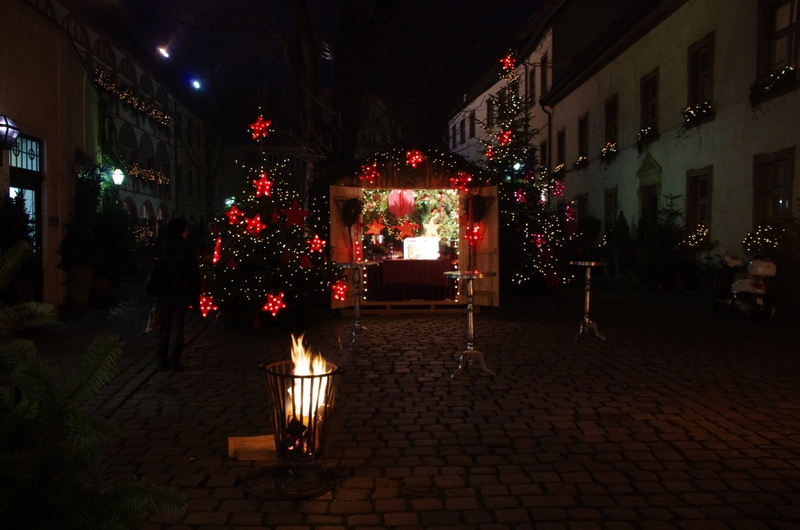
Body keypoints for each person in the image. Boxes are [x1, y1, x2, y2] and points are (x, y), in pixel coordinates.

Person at [156, 218, 200, 371]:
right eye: (186, 230)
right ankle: (175, 361)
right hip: (181, 292)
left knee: (165, 326)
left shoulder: (163, 246)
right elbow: (193, 275)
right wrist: (196, 300)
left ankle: (162, 362)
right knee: (178, 326)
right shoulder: (186, 248)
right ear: (182, 231)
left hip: (165, 291)